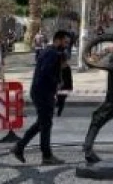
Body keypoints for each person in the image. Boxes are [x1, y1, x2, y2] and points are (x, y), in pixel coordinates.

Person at [12, 31, 71, 166]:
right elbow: (46, 71)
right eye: (65, 42)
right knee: (45, 124)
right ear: (58, 40)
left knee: (42, 123)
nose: (66, 45)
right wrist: (57, 82)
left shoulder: (49, 51)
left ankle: (19, 147)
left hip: (41, 92)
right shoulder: (52, 53)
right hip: (43, 92)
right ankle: (46, 156)